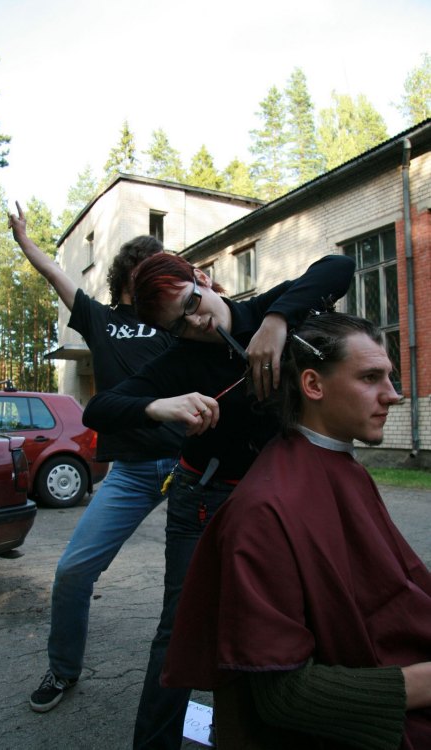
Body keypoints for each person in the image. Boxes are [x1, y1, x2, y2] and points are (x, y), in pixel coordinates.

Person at [82, 252, 355, 749]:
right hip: (204, 499)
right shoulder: (181, 360)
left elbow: (338, 265)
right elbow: (99, 409)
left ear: (202, 279)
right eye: (178, 325)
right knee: (179, 628)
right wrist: (160, 405)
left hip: (281, 498)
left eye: (192, 304)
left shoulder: (271, 309)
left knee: (301, 615)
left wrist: (275, 322)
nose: (195, 323)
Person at [162, 312, 431, 750]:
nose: (393, 395)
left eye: (389, 377)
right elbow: (286, 697)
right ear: (313, 385)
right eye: (370, 378)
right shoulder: (263, 512)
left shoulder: (343, 467)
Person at [7, 203, 183, 713]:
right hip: (130, 472)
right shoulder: (100, 320)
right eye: (148, 265)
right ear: (129, 273)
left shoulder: (177, 323)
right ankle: (63, 669)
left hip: (188, 467)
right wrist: (25, 241)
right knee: (73, 572)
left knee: (204, 579)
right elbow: (56, 274)